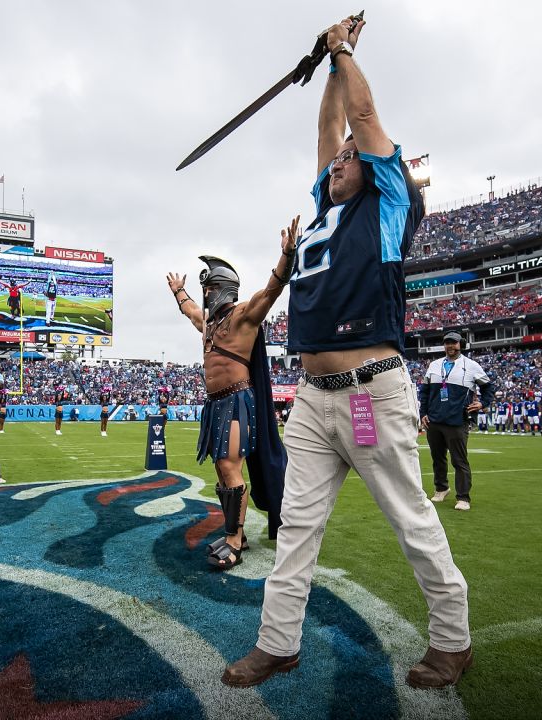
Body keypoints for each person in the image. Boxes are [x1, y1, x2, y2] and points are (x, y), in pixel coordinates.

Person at [222, 15, 471, 691]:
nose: (339, 161)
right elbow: (330, 129)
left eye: (351, 158)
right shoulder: (327, 207)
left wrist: (345, 52)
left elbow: (361, 116)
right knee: (296, 526)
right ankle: (278, 643)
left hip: (371, 390)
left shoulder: (389, 203)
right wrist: (328, 70)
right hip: (311, 398)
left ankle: (453, 639)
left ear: (378, 167)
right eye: (336, 160)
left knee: (411, 519)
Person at [167, 228, 293, 570]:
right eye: (204, 289)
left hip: (238, 400)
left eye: (209, 289)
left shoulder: (242, 317)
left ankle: (236, 540)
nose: (205, 295)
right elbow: (190, 310)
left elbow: (272, 290)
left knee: (229, 467)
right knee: (221, 474)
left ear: (223, 289)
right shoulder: (208, 322)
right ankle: (234, 531)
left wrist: (287, 255)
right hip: (215, 405)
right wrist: (180, 291)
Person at [419, 332, 494, 512]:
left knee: (459, 460)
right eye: (447, 343)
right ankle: (442, 488)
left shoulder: (472, 366)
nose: (450, 346)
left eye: (453, 343)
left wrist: (483, 403)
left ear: (460, 344)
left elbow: (488, 386)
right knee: (437, 458)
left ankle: (463, 497)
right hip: (435, 419)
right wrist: (423, 413)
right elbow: (425, 392)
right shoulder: (434, 365)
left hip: (457, 420)